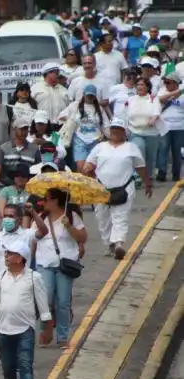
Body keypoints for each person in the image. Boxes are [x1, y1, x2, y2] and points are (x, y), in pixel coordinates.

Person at [0, 240, 52, 379]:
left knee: (25, 366)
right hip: (4, 330)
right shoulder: (2, 276)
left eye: (10, 254)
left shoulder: (34, 277)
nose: (6, 257)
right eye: (6, 253)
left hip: (25, 329)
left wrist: (46, 329)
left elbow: (43, 306)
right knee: (8, 368)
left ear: (20, 258)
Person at [83, 117, 151, 259]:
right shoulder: (100, 147)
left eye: (119, 129)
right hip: (100, 189)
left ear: (124, 132)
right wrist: (88, 167)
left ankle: (118, 243)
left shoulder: (131, 147)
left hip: (124, 187)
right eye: (113, 128)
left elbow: (140, 167)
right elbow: (89, 163)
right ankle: (110, 244)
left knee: (120, 216)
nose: (115, 131)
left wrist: (147, 183)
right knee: (103, 218)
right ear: (109, 131)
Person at [30, 189, 87, 348]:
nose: (44, 202)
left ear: (56, 200)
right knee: (45, 299)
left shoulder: (71, 217)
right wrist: (30, 264)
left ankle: (62, 336)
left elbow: (83, 238)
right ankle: (45, 329)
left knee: (63, 302)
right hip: (44, 264)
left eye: (47, 199)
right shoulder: (40, 217)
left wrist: (69, 227)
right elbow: (33, 241)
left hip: (64, 265)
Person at [58, 84, 108, 172]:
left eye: (92, 96)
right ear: (84, 94)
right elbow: (61, 116)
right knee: (81, 168)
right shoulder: (75, 105)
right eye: (88, 95)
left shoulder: (99, 108)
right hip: (79, 140)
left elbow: (106, 125)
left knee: (92, 169)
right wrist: (69, 120)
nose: (89, 97)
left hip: (95, 141)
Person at [0, 204, 33, 290]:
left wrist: (33, 212)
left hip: (22, 280)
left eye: (10, 216)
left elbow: (43, 231)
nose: (7, 219)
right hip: (1, 280)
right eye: (5, 216)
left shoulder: (27, 234)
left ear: (19, 219)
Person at [124, 76, 162, 181]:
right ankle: (138, 177)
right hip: (135, 132)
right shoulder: (131, 99)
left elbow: (156, 112)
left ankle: (148, 177)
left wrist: (153, 119)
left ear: (147, 87)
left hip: (151, 133)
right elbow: (126, 114)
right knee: (138, 151)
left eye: (142, 85)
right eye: (138, 85)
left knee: (150, 157)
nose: (139, 87)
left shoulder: (153, 99)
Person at [0, 119, 41, 186]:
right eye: (21, 129)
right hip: (5, 186)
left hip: (27, 186)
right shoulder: (3, 147)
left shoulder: (35, 149)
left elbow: (38, 169)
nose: (24, 132)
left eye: (26, 129)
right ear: (14, 129)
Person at [156, 72, 184, 181]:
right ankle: (162, 173)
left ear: (176, 83)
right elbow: (158, 100)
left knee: (176, 151)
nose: (166, 84)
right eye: (165, 82)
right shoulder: (162, 91)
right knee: (163, 149)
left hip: (179, 126)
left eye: (168, 82)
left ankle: (176, 174)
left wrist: (176, 95)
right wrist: (172, 95)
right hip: (164, 125)